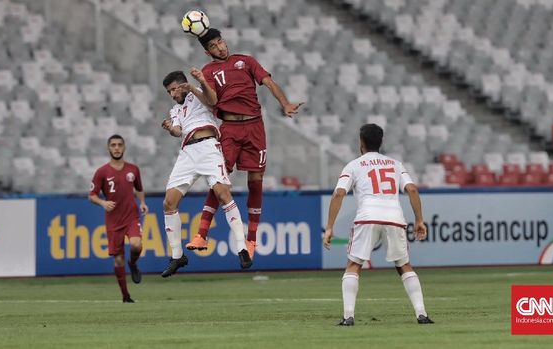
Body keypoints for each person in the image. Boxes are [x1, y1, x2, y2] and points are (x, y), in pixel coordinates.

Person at [185, 28, 303, 260]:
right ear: (208, 53)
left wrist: (285, 103)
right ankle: (201, 234)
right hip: (229, 129)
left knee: (256, 181)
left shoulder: (245, 61)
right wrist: (196, 85)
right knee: (219, 180)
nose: (220, 47)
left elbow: (269, 82)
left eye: (221, 42)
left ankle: (251, 240)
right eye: (214, 46)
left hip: (254, 128)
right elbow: (212, 102)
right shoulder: (208, 71)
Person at [323, 124, 434, 326]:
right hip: (394, 218)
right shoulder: (395, 164)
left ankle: (348, 316)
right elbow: (412, 190)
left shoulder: (354, 165)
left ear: (361, 144)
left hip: (367, 217)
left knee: (354, 265)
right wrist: (419, 220)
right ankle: (421, 314)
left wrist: (329, 226)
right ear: (381, 142)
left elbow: (339, 193)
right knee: (403, 266)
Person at [160, 70, 252, 277]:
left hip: (209, 147)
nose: (172, 94)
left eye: (174, 89)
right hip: (187, 153)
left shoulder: (199, 94)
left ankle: (242, 247)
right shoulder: (175, 110)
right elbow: (177, 131)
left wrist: (194, 85)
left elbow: (213, 100)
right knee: (168, 203)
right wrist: (169, 128)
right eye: (169, 92)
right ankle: (177, 256)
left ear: (182, 85)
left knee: (222, 194)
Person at [89, 134, 148, 303]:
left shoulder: (133, 169)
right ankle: (126, 296)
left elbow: (139, 188)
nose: (116, 148)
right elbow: (91, 195)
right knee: (118, 258)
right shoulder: (102, 172)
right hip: (114, 220)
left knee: (136, 245)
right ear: (109, 148)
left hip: (131, 216)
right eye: (113, 145)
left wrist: (142, 202)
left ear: (124, 147)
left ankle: (134, 264)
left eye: (119, 145)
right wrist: (102, 202)